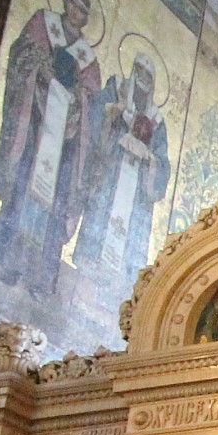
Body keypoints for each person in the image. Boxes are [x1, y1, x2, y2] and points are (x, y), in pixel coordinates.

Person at [0, 0, 103, 293]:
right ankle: (6, 260)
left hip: (64, 140)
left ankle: (41, 279)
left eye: (85, 13)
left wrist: (77, 96)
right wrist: (42, 72)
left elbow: (92, 98)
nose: (79, 15)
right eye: (76, 7)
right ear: (66, 4)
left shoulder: (88, 57)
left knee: (55, 206)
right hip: (34, 125)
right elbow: (21, 55)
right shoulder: (44, 23)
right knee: (23, 186)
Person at [75, 52, 173, 277]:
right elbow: (94, 116)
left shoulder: (157, 121)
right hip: (110, 175)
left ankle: (116, 286)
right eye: (138, 73)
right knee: (101, 213)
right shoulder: (116, 88)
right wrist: (114, 112)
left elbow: (162, 162)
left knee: (127, 234)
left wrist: (149, 158)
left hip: (136, 186)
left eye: (147, 77)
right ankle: (85, 276)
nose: (142, 81)